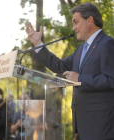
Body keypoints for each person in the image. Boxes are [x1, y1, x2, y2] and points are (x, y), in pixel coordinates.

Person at [25, 2, 114, 140]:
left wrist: (80, 79)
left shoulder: (107, 44)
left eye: (76, 22)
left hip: (100, 126)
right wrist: (38, 44)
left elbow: (111, 80)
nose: (73, 27)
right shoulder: (80, 50)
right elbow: (59, 66)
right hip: (82, 126)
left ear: (90, 20)